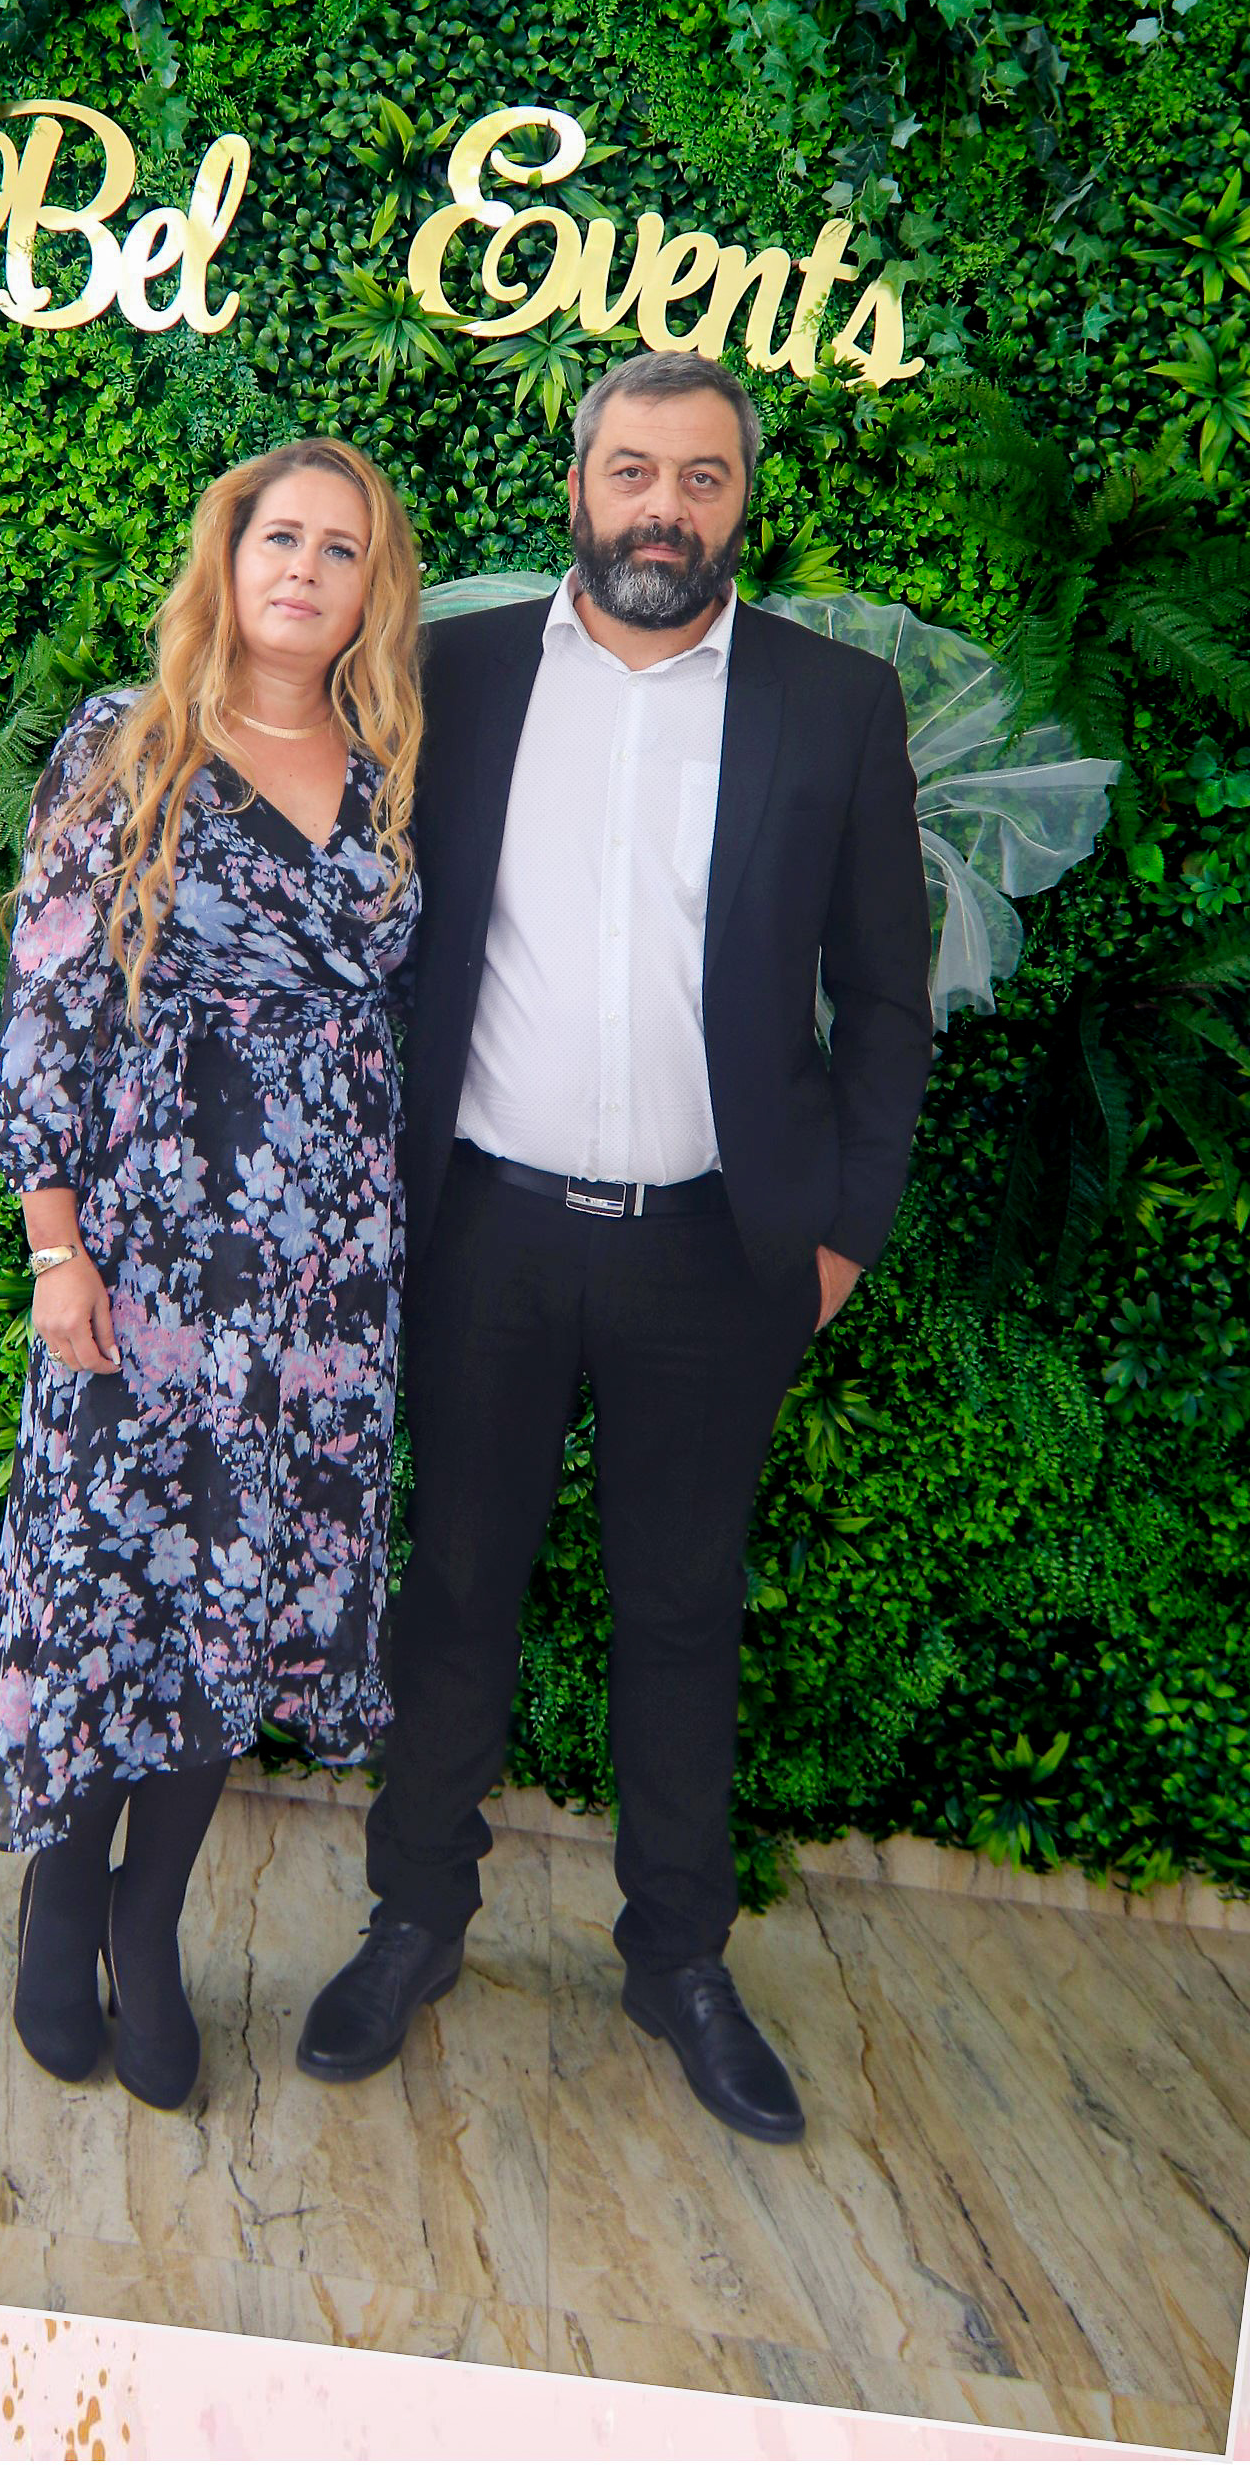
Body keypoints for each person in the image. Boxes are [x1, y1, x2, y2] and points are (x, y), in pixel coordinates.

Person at [295, 350, 935, 2143]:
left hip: (714, 1253)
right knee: (454, 1590)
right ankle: (414, 1919)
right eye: (634, 470)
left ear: (743, 502)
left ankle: (679, 1959)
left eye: (701, 478)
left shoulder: (833, 703)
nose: (665, 506)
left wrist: (842, 1234)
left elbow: (890, 998)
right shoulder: (452, 673)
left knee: (679, 1611)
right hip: (481, 1233)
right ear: (579, 485)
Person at [0, 437, 423, 2111]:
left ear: (374, 593)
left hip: (324, 1273)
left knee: (244, 1583)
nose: (305, 569)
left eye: (342, 550)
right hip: (148, 1247)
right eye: (279, 536)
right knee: (116, 1577)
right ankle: (58, 1905)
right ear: (227, 559)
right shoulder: (130, 739)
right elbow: (52, 999)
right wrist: (54, 1244)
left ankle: (145, 1926)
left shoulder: (394, 771)